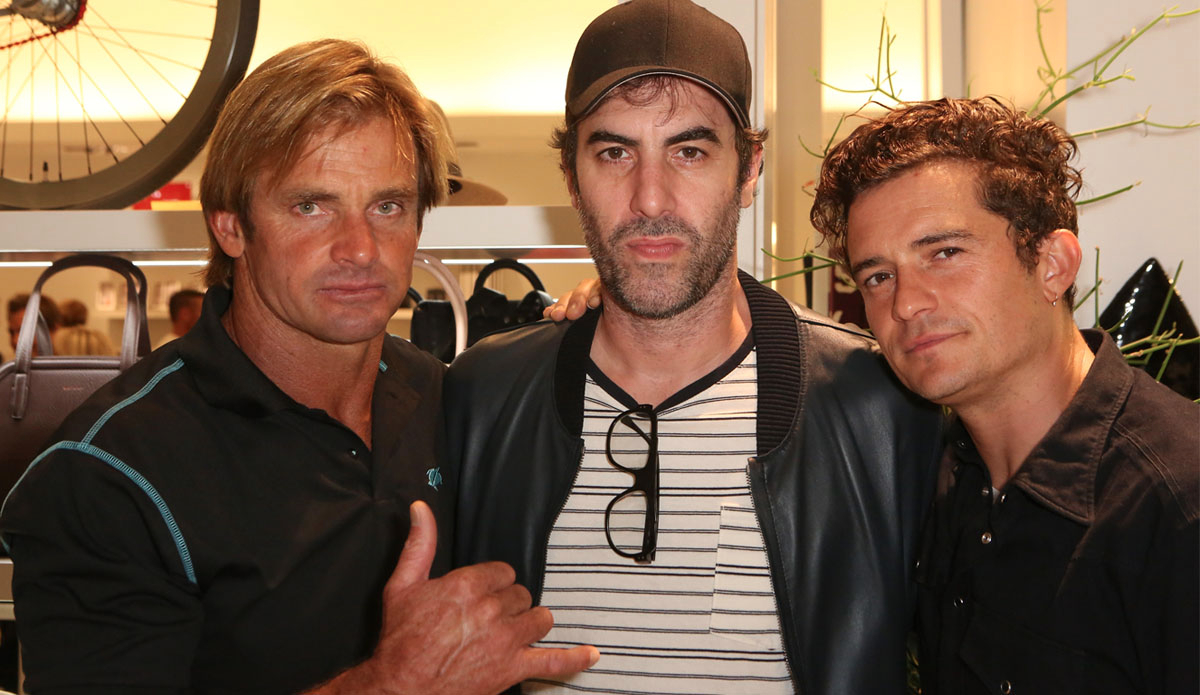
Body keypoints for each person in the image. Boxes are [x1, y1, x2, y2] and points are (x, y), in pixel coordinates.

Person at [0, 39, 595, 695]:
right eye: (311, 205)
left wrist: (610, 317)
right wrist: (391, 684)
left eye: (388, 206)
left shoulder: (439, 394)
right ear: (230, 224)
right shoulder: (108, 471)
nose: (361, 248)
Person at [445, 1, 943, 693]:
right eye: (615, 152)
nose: (651, 197)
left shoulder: (877, 404)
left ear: (748, 170)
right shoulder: (484, 398)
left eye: (690, 150)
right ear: (571, 176)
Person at [810, 97, 1199, 694]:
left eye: (944, 253)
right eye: (878, 276)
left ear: (1053, 263)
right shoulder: (943, 481)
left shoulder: (1176, 501)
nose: (905, 303)